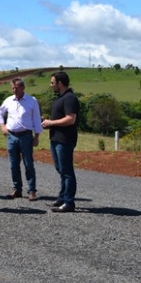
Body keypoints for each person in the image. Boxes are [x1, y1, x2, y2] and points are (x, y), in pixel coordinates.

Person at [0, 78, 43, 201]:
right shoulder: (8, 100)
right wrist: (2, 126)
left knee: (28, 164)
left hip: (26, 136)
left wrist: (37, 136)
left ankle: (32, 190)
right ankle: (17, 188)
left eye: (16, 87)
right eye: (12, 88)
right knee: (13, 164)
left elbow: (37, 119)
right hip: (11, 135)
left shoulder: (32, 101)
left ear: (23, 88)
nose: (14, 90)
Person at [42, 71, 80, 213]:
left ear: (60, 83)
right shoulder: (61, 98)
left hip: (65, 140)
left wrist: (51, 122)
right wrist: (48, 123)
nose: (51, 85)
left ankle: (69, 202)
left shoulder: (70, 98)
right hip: (56, 138)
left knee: (67, 171)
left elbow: (71, 119)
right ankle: (63, 197)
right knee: (61, 170)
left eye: (52, 83)